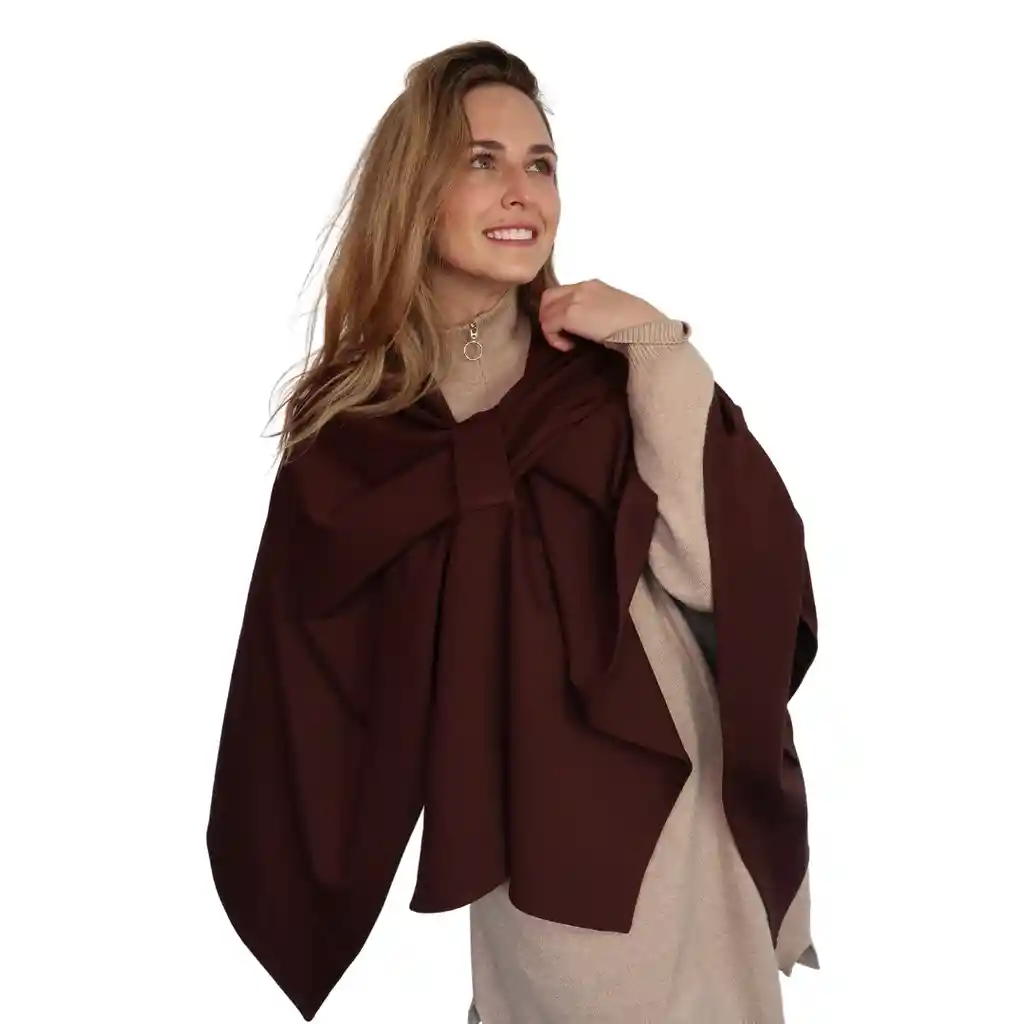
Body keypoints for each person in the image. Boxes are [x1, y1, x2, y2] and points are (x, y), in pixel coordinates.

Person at [205, 40, 820, 1024]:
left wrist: (656, 343)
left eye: (540, 164)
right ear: (416, 190)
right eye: (481, 161)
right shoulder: (359, 427)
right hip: (517, 807)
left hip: (671, 777)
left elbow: (722, 577)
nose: (521, 192)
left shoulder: (603, 370)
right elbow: (307, 653)